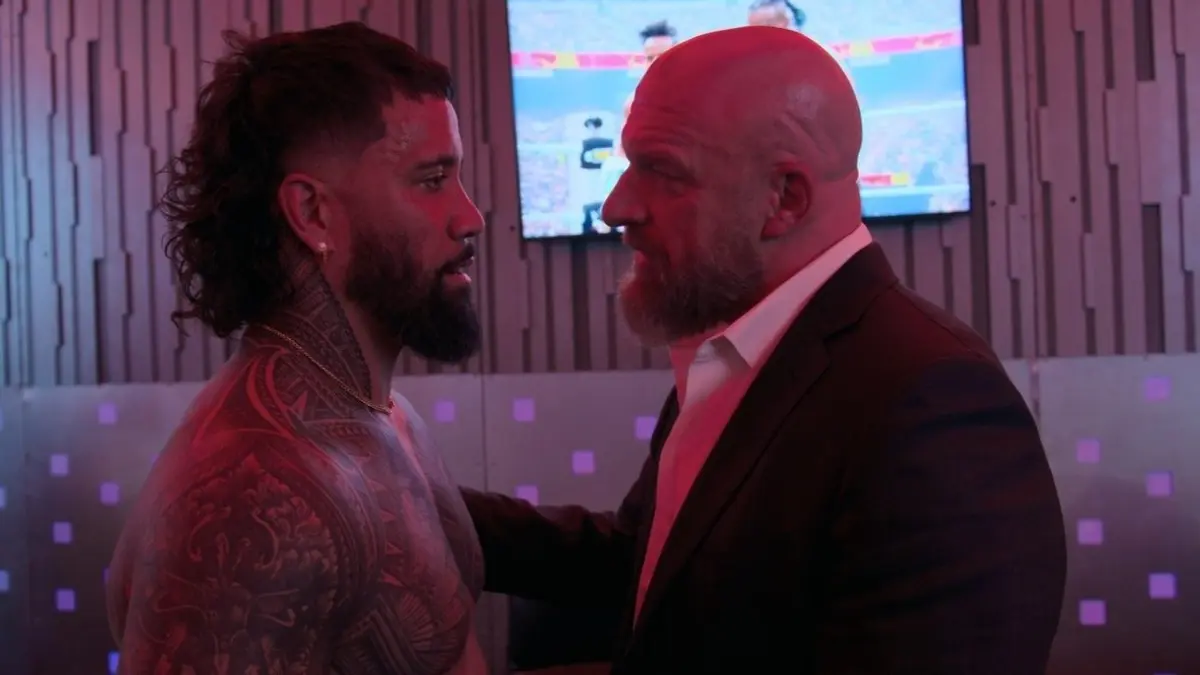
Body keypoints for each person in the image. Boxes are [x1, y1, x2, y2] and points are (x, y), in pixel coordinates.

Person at [462, 26, 1066, 674]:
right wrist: (427, 506)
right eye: (629, 163)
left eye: (662, 171)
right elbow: (652, 563)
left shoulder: (934, 403)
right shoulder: (738, 351)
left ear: (785, 199)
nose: (616, 206)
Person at [105, 22, 489, 675]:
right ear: (312, 213)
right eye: (431, 180)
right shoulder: (252, 495)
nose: (470, 216)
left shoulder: (384, 413)